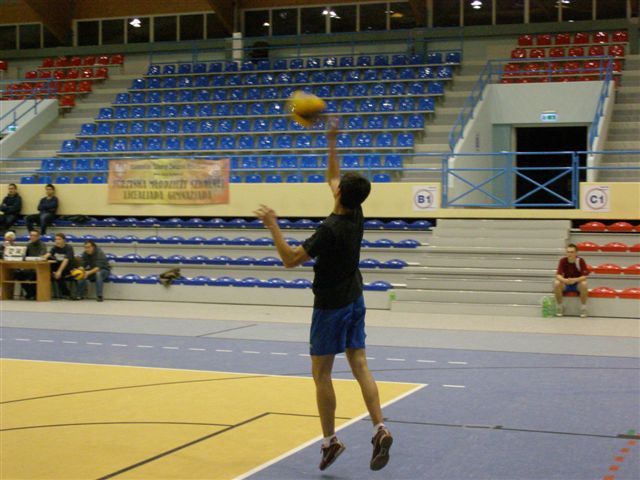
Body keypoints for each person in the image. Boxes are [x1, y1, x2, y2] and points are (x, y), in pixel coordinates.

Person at [254, 118, 393, 472]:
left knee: (321, 374)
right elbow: (333, 176)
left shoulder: (329, 230)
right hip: (355, 297)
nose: (334, 184)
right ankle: (379, 427)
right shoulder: (357, 211)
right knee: (360, 363)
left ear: (339, 194)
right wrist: (332, 140)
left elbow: (289, 260)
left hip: (331, 305)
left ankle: (330, 441)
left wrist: (273, 226)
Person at [554, 243, 590, 318]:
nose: (569, 254)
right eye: (568, 252)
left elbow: (584, 276)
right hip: (566, 283)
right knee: (556, 283)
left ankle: (583, 308)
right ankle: (560, 307)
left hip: (577, 284)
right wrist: (564, 280)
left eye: (572, 252)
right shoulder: (563, 260)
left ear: (576, 253)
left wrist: (575, 280)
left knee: (584, 284)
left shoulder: (580, 261)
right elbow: (558, 275)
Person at [16, 230, 48, 300]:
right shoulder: (28, 245)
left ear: (38, 237)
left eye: (34, 236)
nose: (32, 237)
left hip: (39, 268)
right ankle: (31, 292)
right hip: (28, 267)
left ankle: (33, 293)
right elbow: (24, 256)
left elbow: (41, 256)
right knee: (18, 273)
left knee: (33, 274)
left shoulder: (42, 245)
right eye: (31, 235)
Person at [43, 232, 74, 298]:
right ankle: (43, 293)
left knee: (59, 275)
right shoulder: (55, 248)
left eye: (59, 239)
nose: (57, 241)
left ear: (64, 240)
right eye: (56, 239)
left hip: (67, 268)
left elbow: (66, 261)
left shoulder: (68, 248)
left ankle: (66, 293)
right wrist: (42, 258)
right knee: (46, 269)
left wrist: (59, 271)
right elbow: (48, 254)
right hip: (57, 267)